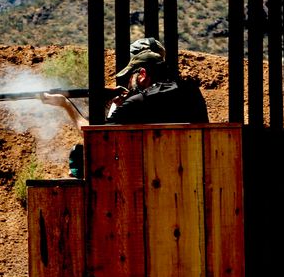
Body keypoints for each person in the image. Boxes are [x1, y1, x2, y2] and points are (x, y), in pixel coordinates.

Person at [41, 37, 208, 178]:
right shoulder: (191, 91)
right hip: (193, 173)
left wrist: (66, 104)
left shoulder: (138, 102)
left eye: (131, 75)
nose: (129, 81)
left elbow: (96, 140)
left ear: (142, 74)